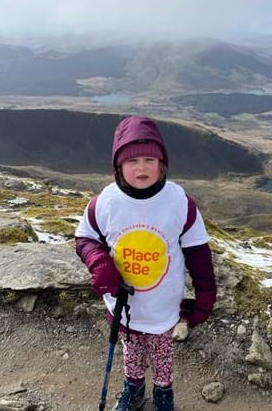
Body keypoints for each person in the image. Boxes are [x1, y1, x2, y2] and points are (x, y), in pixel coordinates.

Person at [75, 115, 216, 411]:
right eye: (133, 160)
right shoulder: (105, 202)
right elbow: (85, 238)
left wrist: (205, 298)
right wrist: (99, 263)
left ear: (162, 164)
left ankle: (164, 394)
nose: (141, 168)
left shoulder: (179, 203)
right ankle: (133, 390)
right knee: (131, 351)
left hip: (163, 305)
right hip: (121, 302)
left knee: (162, 353)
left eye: (150, 160)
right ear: (118, 166)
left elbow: (199, 255)